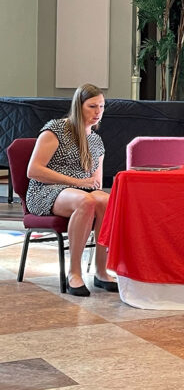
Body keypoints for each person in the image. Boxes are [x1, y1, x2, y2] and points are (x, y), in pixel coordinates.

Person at [25, 84, 118, 297]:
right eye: (92, 106)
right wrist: (78, 181)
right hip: (46, 191)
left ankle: (101, 271)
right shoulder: (56, 129)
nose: (98, 112)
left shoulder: (96, 141)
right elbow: (33, 170)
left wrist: (92, 183)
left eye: (102, 107)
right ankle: (74, 273)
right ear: (79, 106)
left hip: (79, 191)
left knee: (106, 200)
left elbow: (95, 179)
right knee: (86, 202)